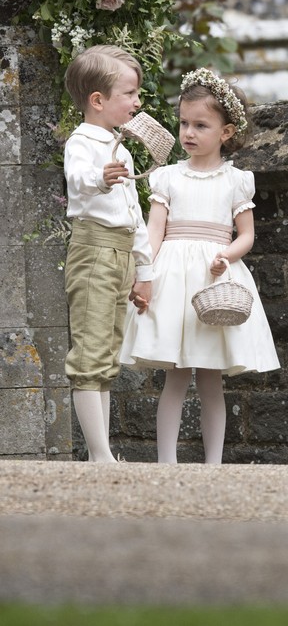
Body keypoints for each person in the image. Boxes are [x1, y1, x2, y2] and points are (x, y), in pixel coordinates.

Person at [120, 68, 280, 464]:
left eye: (200, 125)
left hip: (213, 276)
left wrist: (228, 255)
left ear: (226, 132)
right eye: (184, 123)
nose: (188, 133)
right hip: (173, 278)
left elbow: (246, 234)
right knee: (175, 374)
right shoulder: (168, 177)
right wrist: (145, 273)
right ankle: (167, 462)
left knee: (210, 377)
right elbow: (154, 232)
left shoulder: (236, 181)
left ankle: (213, 463)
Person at [63, 45, 154, 463]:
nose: (138, 102)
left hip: (118, 254)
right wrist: (99, 179)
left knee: (107, 351)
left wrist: (143, 270)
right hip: (94, 251)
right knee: (91, 351)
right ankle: (99, 455)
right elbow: (78, 178)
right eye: (130, 94)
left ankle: (104, 453)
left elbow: (135, 217)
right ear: (97, 101)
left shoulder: (123, 149)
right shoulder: (82, 141)